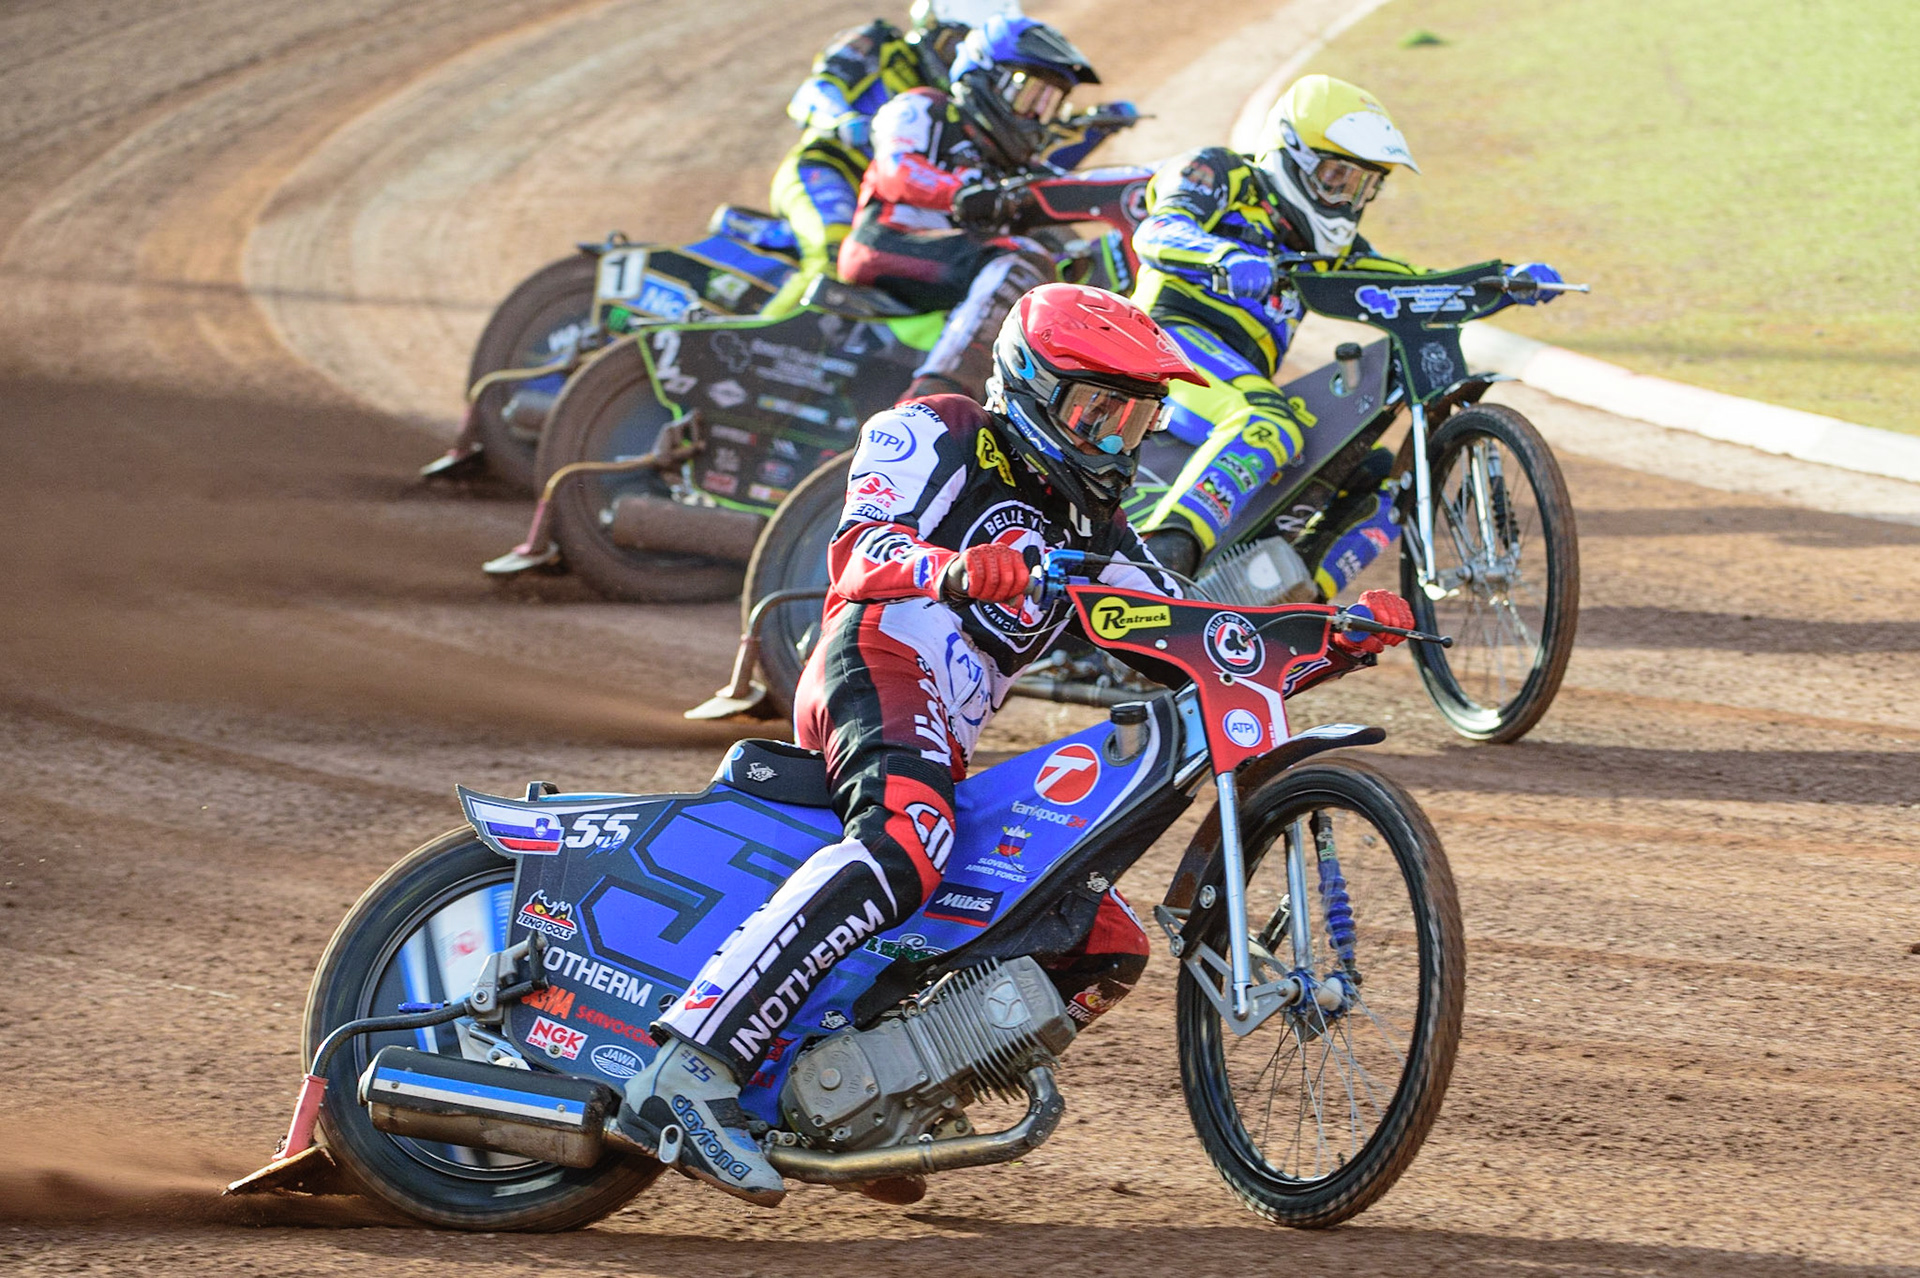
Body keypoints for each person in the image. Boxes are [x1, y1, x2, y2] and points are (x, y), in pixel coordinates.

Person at [619, 284, 1419, 1206]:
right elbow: (856, 552)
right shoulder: (940, 428)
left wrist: (1328, 639)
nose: (1118, 439)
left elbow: (1196, 636)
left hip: (943, 730)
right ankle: (691, 1064)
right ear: (1033, 386)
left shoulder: (1098, 529)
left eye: (1138, 418)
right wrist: (952, 568)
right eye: (1099, 412)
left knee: (1101, 943)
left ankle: (883, 1098)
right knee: (905, 846)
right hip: (873, 659)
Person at [1129, 73, 1563, 597]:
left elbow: (1415, 284)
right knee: (1267, 420)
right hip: (1157, 349)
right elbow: (1157, 229)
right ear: (1290, 154)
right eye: (1337, 178)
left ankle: (1284, 604)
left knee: (1380, 473)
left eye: (1364, 186)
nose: (1348, 200)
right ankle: (1153, 572)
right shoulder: (1220, 171)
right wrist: (1226, 256)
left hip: (1232, 384)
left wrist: (1501, 281)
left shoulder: (1339, 251)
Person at [836, 14, 1100, 399]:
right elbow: (898, 168)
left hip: (952, 267)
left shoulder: (1010, 164)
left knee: (1066, 278)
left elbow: (1058, 192)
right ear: (984, 77)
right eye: (1028, 93)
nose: (1034, 114)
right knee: (1020, 260)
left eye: (1048, 103)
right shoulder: (924, 107)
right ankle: (930, 400)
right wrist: (960, 191)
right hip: (885, 243)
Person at [771, 1, 1019, 289]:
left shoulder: (959, 98)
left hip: (884, 207)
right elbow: (812, 93)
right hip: (828, 168)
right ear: (930, 28)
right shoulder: (879, 46)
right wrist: (842, 121)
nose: (958, 57)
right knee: (830, 262)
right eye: (954, 45)